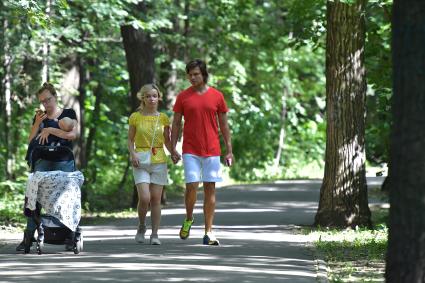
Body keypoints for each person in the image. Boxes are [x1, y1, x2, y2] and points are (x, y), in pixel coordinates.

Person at [171, 59, 233, 245]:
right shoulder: (183, 97)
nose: (192, 77)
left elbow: (224, 125)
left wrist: (229, 150)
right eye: (190, 74)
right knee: (191, 186)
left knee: (210, 189)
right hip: (190, 149)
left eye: (196, 74)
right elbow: (175, 123)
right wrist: (173, 148)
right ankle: (189, 218)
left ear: (204, 74)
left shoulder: (217, 96)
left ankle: (209, 232)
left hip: (212, 149)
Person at [16, 82, 79, 251]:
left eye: (48, 99)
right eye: (42, 101)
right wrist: (37, 123)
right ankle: (29, 234)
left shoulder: (68, 114)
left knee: (69, 191)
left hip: (64, 160)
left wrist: (50, 131)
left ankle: (69, 233)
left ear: (55, 97)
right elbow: (31, 142)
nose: (46, 104)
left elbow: (72, 134)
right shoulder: (40, 117)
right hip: (43, 160)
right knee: (33, 191)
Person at [128, 83, 172, 245]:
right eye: (148, 96)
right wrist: (132, 154)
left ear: (158, 97)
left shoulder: (164, 118)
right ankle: (141, 226)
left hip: (159, 160)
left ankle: (155, 234)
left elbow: (167, 140)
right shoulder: (135, 117)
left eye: (154, 96)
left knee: (156, 199)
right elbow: (130, 139)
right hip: (140, 160)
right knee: (144, 197)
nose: (151, 99)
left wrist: (173, 152)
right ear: (143, 98)